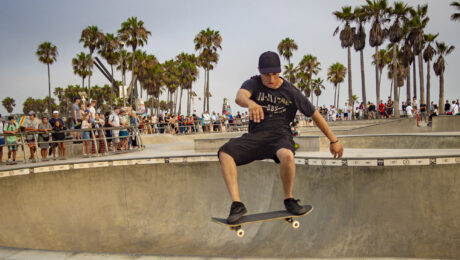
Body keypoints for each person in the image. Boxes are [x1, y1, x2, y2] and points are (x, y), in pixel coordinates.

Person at [218, 51, 343, 224]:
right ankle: (237, 204)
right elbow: (240, 97)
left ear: (280, 71)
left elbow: (315, 115)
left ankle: (289, 199)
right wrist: (251, 103)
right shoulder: (252, 83)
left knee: (287, 155)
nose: (270, 79)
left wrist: (333, 140)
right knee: (225, 152)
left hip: (280, 136)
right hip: (257, 135)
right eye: (266, 75)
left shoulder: (291, 91)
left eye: (274, 74)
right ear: (259, 70)